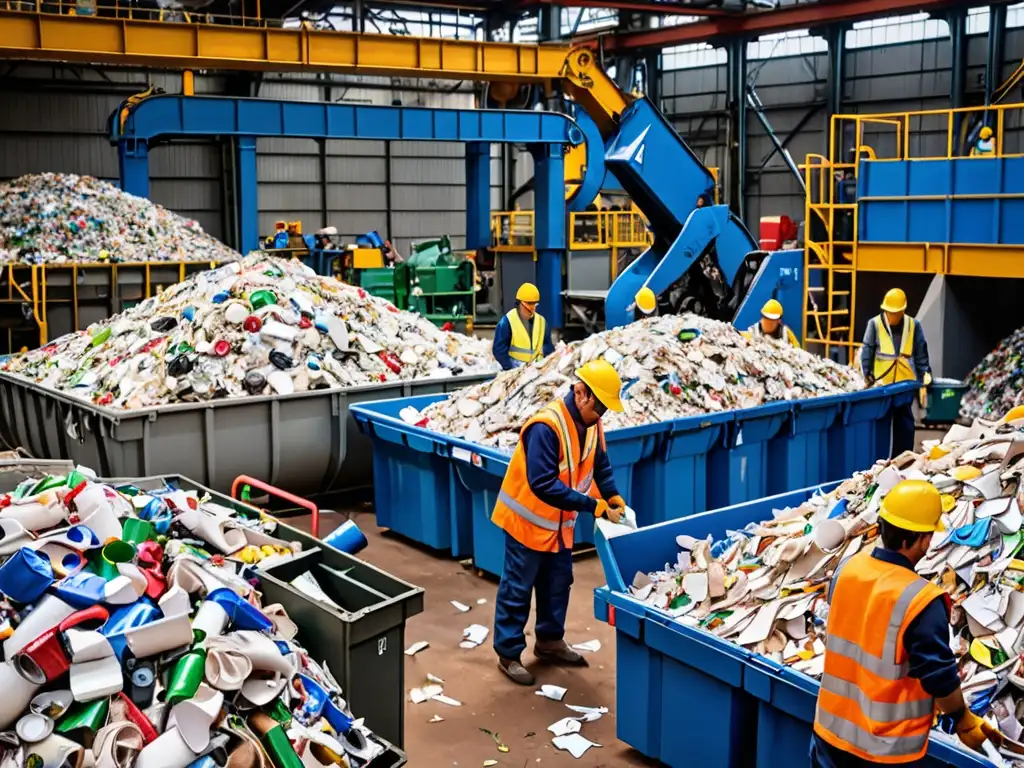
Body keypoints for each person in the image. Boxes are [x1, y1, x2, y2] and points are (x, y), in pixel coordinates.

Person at [811, 480, 1001, 766]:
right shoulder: (921, 601)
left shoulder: (847, 569)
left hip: (829, 733)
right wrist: (962, 719)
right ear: (923, 539)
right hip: (880, 751)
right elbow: (938, 676)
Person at [491, 360, 627, 685]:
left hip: (557, 526)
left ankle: (549, 642)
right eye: (601, 407)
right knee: (517, 589)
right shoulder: (546, 427)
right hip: (527, 524)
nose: (603, 415)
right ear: (582, 394)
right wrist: (594, 506)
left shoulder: (593, 423)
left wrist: (612, 496)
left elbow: (600, 465)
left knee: (558, 583)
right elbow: (543, 484)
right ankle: (508, 654)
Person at [859, 288, 931, 456]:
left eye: (895, 312)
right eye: (889, 312)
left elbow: (921, 350)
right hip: (882, 383)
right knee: (881, 421)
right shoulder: (875, 324)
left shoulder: (913, 325)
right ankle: (880, 458)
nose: (892, 316)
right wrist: (867, 372)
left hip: (904, 384)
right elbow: (867, 349)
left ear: (902, 311)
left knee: (904, 422)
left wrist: (923, 373)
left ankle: (903, 458)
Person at [492, 283, 554, 370]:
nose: (531, 311)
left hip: (537, 370)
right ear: (519, 304)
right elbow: (499, 350)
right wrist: (511, 368)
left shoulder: (542, 322)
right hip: (515, 370)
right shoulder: (507, 322)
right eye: (528, 308)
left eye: (534, 305)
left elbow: (548, 347)